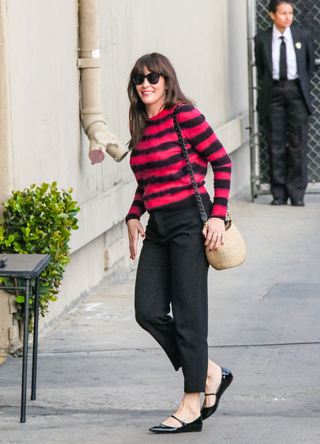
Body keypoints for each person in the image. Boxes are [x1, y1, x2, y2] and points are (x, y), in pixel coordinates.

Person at [125, 52, 233, 434]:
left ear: (167, 80)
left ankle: (191, 404)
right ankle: (209, 372)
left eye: (154, 77)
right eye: (140, 78)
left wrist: (217, 214)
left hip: (191, 219)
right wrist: (134, 213)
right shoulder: (141, 127)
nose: (146, 83)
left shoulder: (183, 115)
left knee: (189, 315)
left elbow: (222, 162)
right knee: (148, 310)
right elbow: (147, 181)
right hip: (158, 225)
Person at [254, 0, 315, 206]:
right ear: (272, 15)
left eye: (290, 13)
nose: (288, 17)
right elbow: (262, 69)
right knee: (275, 143)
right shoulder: (261, 38)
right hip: (273, 93)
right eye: (283, 13)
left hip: (296, 91)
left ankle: (297, 193)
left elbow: (308, 66)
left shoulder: (302, 36)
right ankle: (278, 193)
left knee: (298, 143)